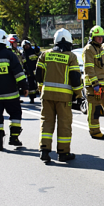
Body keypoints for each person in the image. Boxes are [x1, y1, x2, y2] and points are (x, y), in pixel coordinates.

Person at [35, 29, 83, 164]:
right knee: (64, 125)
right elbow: (75, 78)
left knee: (46, 122)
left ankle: (44, 151)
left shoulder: (45, 55)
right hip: (64, 99)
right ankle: (63, 153)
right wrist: (79, 95)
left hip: (47, 96)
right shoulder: (71, 57)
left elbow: (38, 76)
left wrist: (41, 89)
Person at [83, 25, 104, 139]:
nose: (100, 39)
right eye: (97, 37)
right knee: (95, 109)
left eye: (101, 37)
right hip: (93, 86)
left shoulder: (101, 49)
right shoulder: (89, 49)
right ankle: (95, 131)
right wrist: (95, 84)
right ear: (93, 37)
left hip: (103, 85)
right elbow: (89, 69)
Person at [21, 39, 41, 103]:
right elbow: (24, 64)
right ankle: (32, 98)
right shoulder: (24, 54)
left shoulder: (34, 51)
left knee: (40, 83)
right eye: (25, 45)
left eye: (27, 45)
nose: (27, 46)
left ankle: (41, 95)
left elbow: (39, 55)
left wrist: (37, 50)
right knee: (31, 86)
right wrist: (26, 71)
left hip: (37, 70)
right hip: (29, 72)